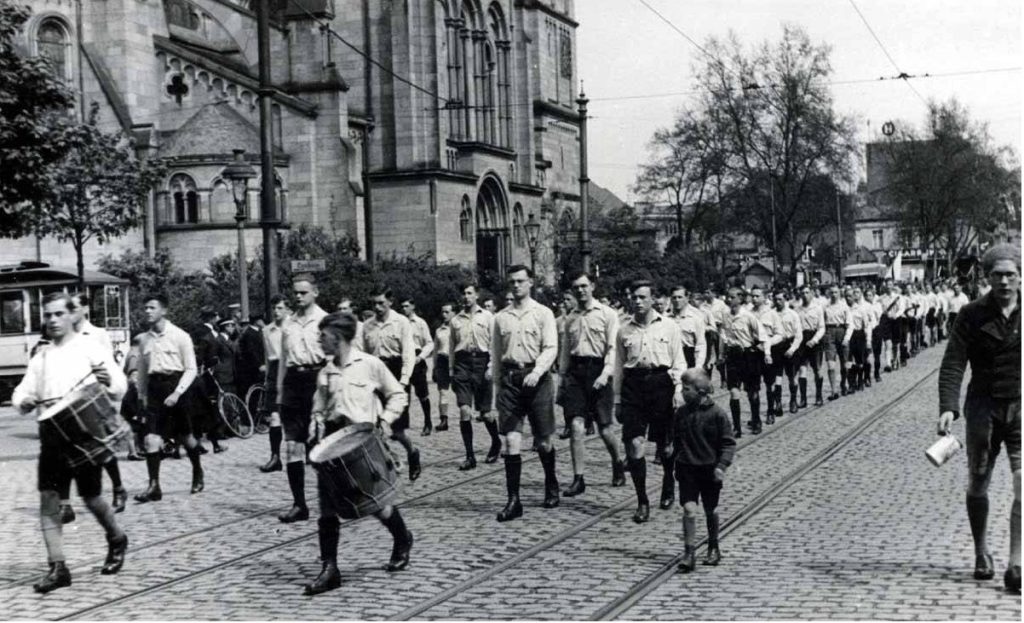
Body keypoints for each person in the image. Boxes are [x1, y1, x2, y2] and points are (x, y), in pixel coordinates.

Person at [13, 292, 129, 593]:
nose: (52, 320)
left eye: (58, 314)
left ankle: (117, 538)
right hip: (51, 435)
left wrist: (109, 381)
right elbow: (21, 391)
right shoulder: (41, 357)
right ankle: (58, 567)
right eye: (48, 315)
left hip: (83, 434)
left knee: (91, 498)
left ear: (70, 316)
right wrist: (24, 400)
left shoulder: (89, 348)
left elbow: (119, 385)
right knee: (49, 500)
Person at [302, 312, 413, 595]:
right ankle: (330, 569)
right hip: (333, 445)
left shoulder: (370, 365)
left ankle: (402, 538)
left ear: (338, 338)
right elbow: (319, 404)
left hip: (362, 445)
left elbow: (397, 394)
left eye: (323, 336)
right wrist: (315, 421)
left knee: (374, 504)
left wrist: (386, 422)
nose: (319, 341)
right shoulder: (325, 372)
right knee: (327, 509)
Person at [937, 243, 1020, 594]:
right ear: (987, 278)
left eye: (1011, 274)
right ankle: (981, 550)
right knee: (979, 480)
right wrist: (948, 406)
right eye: (997, 275)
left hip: (1020, 407)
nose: (1004, 281)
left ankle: (1016, 562)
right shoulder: (971, 314)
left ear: (1020, 277)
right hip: (983, 409)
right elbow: (954, 361)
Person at [491, 265, 561, 521]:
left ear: (531, 282)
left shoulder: (543, 314)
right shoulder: (500, 318)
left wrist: (538, 370)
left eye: (521, 281)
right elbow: (496, 355)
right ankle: (514, 500)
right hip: (511, 380)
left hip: (537, 380)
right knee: (511, 440)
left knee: (543, 441)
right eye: (512, 282)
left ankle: (551, 481)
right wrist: (497, 390)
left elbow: (551, 347)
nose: (516, 286)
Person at [614, 280, 686, 522]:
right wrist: (617, 400)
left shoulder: (669, 327)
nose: (637, 301)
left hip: (661, 384)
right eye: (634, 297)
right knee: (634, 444)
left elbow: (679, 362)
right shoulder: (624, 330)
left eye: (642, 297)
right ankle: (642, 500)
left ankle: (668, 480)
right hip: (633, 386)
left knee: (666, 446)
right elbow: (618, 366)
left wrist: (677, 390)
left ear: (652, 298)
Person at [52, 293, 129, 518]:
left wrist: (108, 389)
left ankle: (118, 488)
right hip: (68, 398)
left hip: (93, 398)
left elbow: (109, 366)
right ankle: (65, 504)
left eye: (73, 308)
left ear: (85, 309)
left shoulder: (98, 335)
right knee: (64, 449)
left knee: (101, 447)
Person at [558, 272, 627, 498]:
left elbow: (613, 348)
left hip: (600, 371)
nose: (580, 291)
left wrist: (606, 373)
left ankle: (617, 461)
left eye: (584, 286)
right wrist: (562, 378)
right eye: (576, 287)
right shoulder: (570, 318)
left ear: (593, 287)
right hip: (576, 374)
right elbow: (566, 351)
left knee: (605, 428)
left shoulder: (607, 314)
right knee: (576, 426)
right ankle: (579, 478)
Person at [133, 294, 204, 503]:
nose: (147, 311)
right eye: (145, 308)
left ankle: (197, 472)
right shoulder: (143, 339)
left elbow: (191, 369)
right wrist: (141, 397)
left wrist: (177, 393)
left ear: (163, 311)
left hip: (177, 387)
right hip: (155, 390)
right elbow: (143, 371)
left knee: (186, 437)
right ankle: (154, 486)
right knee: (151, 438)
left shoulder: (180, 336)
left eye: (152, 307)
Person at [664, 368, 736, 572]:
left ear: (701, 391)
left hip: (709, 470)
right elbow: (676, 438)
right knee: (688, 509)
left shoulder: (717, 414)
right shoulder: (681, 413)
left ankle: (713, 545)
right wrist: (671, 449)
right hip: (687, 469)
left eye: (686, 389)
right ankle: (689, 552)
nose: (683, 393)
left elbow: (728, 444)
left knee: (710, 509)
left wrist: (722, 465)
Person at [275, 275, 329, 523]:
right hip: (293, 385)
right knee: (292, 446)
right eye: (295, 293)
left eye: (303, 293)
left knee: (322, 445)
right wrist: (279, 392)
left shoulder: (325, 320)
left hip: (318, 380)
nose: (298, 297)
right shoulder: (288, 324)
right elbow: (283, 360)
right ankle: (299, 504)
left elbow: (332, 359)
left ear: (315, 292)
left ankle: (334, 500)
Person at [361, 287, 422, 481]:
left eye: (381, 303)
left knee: (397, 431)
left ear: (390, 302)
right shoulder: (367, 326)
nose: (377, 307)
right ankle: (388, 463)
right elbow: (363, 355)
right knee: (374, 426)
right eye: (374, 304)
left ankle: (412, 452)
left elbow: (408, 354)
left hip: (396, 375)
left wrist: (404, 381)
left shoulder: (401, 322)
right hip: (376, 375)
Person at [449, 284, 501, 470]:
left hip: (482, 362)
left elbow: (495, 344)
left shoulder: (488, 317)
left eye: (469, 293)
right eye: (463, 293)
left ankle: (496, 441)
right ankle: (470, 456)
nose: (466, 296)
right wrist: (451, 370)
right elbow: (451, 346)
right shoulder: (455, 320)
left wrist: (491, 367)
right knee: (464, 411)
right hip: (462, 364)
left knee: (486, 414)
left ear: (476, 295)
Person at [720, 287, 770, 436]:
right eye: (728, 297)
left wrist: (766, 353)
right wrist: (721, 355)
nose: (729, 300)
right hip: (733, 358)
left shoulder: (749, 317)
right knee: (734, 391)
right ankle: (737, 427)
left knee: (752, 392)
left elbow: (763, 337)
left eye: (732, 297)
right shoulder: (725, 316)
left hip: (748, 356)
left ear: (740, 299)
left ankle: (756, 420)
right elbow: (723, 336)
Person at [260, 294, 291, 473]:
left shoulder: (293, 327)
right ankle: (275, 457)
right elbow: (267, 355)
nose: (276, 312)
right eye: (274, 308)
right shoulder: (267, 330)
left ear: (287, 309)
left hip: (291, 369)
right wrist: (267, 379)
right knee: (274, 415)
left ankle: (308, 451)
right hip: (274, 370)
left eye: (280, 308)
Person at [400, 298, 435, 436]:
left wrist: (421, 356)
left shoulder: (420, 323)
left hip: (417, 359)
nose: (404, 309)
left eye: (407, 306)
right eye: (402, 306)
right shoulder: (399, 322)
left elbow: (429, 343)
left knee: (422, 394)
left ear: (413, 307)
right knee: (404, 393)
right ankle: (403, 424)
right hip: (403, 359)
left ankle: (428, 421)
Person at [750, 286, 783, 424]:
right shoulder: (748, 313)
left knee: (770, 383)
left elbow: (780, 334)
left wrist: (768, 343)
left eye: (757, 296)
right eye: (753, 296)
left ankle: (770, 411)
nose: (754, 299)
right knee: (753, 385)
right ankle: (755, 416)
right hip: (753, 350)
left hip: (769, 349)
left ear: (764, 297)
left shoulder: (772, 314)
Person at [772, 289, 802, 415]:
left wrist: (792, 349)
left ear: (786, 299)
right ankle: (778, 403)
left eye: (780, 299)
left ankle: (793, 400)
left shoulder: (792, 314)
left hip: (789, 346)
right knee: (777, 377)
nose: (778, 302)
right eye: (776, 299)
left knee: (792, 376)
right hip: (776, 347)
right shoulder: (771, 314)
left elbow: (798, 335)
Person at [795, 285, 826, 408]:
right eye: (803, 293)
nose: (805, 295)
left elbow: (822, 327)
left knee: (817, 369)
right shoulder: (797, 310)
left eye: (807, 292)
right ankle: (803, 399)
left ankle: (819, 396)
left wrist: (814, 340)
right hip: (802, 339)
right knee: (802, 369)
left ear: (812, 294)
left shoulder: (817, 309)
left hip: (815, 340)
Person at [822, 285, 852, 400]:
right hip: (829, 333)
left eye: (836, 292)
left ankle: (844, 383)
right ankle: (833, 390)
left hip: (842, 331)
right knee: (830, 364)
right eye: (832, 292)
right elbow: (822, 322)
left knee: (845, 363)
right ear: (829, 294)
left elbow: (849, 324)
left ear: (839, 294)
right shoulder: (825, 306)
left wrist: (846, 338)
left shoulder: (844, 307)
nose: (834, 295)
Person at [670, 285, 707, 370]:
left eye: (680, 297)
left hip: (689, 356)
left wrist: (698, 366)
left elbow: (701, 344)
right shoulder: (665, 317)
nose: (677, 300)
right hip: (671, 357)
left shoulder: (696, 317)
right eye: (674, 297)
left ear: (687, 298)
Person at [432, 304, 455, 432]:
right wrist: (434, 368)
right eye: (443, 312)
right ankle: (444, 420)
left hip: (456, 361)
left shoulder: (458, 327)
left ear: (453, 313)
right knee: (443, 391)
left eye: (447, 312)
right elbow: (435, 350)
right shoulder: (439, 330)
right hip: (442, 360)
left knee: (460, 389)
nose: (444, 315)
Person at [236, 312, 266, 402]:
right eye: (261, 319)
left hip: (258, 368)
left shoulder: (257, 331)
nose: (262, 322)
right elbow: (251, 351)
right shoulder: (249, 333)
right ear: (256, 321)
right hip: (252, 369)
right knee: (254, 393)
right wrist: (259, 364)